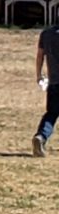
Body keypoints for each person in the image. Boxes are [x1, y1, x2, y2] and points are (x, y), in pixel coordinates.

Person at [37, 22, 59, 158]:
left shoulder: (46, 34)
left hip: (54, 82)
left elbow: (40, 56)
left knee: (51, 114)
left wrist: (39, 75)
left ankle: (41, 136)